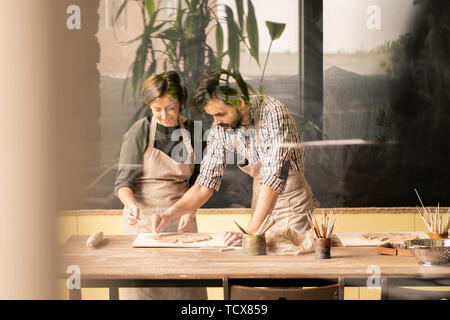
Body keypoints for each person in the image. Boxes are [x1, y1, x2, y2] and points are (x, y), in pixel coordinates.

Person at [148, 69, 318, 248]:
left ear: (241, 102)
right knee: (259, 263)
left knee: (289, 264)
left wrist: (249, 233)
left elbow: (274, 178)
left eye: (220, 114)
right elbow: (204, 185)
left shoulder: (273, 112)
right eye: (212, 115)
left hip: (291, 203)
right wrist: (168, 214)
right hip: (261, 200)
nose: (216, 122)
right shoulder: (220, 129)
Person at [114, 71, 207, 299]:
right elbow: (123, 183)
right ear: (149, 107)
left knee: (185, 292)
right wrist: (131, 204)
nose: (165, 115)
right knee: (143, 291)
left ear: (181, 103)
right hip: (143, 223)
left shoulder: (194, 131)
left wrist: (190, 210)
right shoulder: (139, 132)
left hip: (182, 220)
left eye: (171, 108)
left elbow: (199, 182)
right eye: (157, 109)